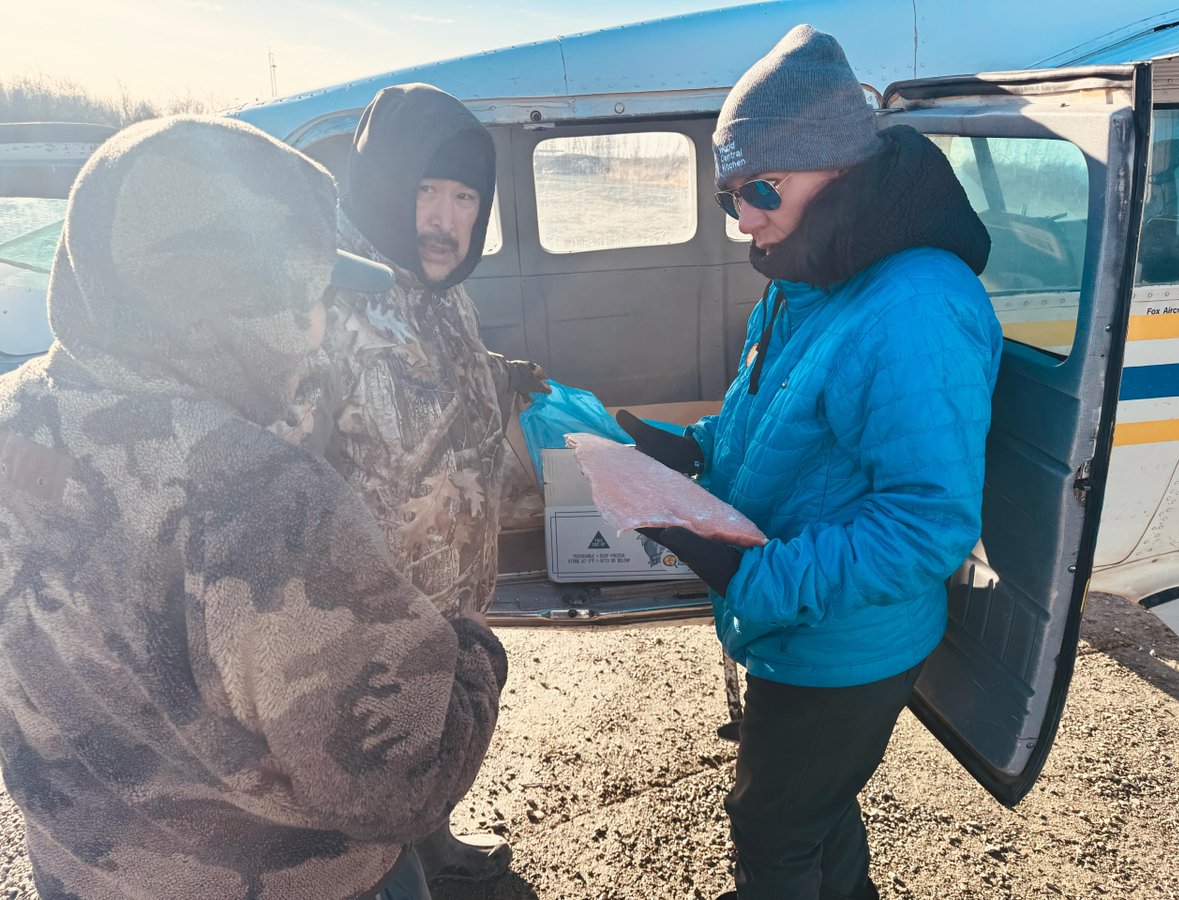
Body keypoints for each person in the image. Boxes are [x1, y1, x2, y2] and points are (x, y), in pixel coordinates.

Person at [0, 116, 507, 900]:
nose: (315, 333)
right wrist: (471, 651)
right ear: (228, 302)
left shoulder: (14, 416)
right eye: (307, 298)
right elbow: (397, 784)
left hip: (83, 868)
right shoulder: (264, 500)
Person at [618, 26, 1003, 900]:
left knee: (774, 823)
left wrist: (740, 571)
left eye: (761, 187)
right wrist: (677, 448)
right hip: (800, 622)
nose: (745, 218)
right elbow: (771, 424)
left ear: (838, 168)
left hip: (842, 641)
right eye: (731, 199)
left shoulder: (913, 306)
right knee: (815, 808)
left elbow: (927, 526)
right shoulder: (803, 277)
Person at [278, 82, 546, 884]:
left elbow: (435, 394)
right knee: (370, 809)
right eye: (427, 190)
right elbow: (278, 471)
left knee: (437, 748)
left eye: (466, 196)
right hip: (362, 629)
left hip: (448, 601)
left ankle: (436, 842)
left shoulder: (446, 295)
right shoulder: (323, 304)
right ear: (386, 185)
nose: (445, 217)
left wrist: (507, 383)